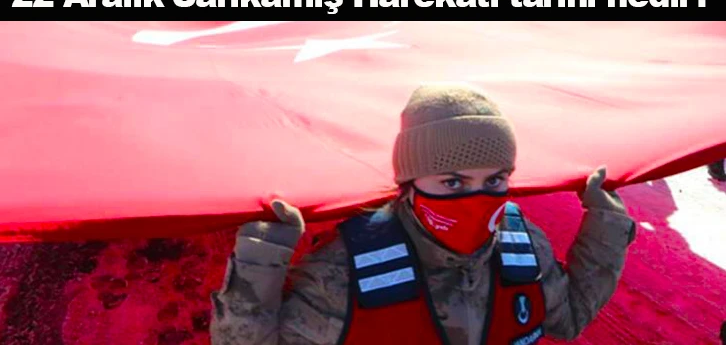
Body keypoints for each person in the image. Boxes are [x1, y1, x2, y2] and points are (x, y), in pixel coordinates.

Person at [210, 84, 637, 345]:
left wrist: (606, 230)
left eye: (495, 180)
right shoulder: (345, 271)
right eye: (452, 183)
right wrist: (260, 266)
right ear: (410, 182)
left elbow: (567, 319)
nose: (477, 199)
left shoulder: (522, 245)